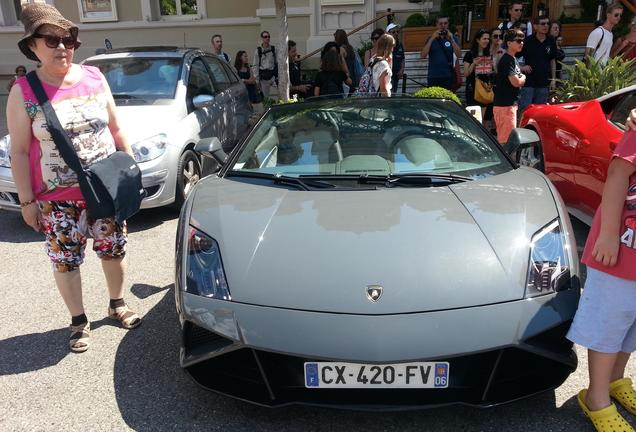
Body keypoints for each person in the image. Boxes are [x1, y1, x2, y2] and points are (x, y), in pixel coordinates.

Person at [6, 3, 141, 354]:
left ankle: (117, 304)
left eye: (68, 39)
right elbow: (19, 151)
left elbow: (116, 129)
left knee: (112, 250)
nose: (62, 46)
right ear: (32, 46)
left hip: (103, 189)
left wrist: (129, 176)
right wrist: (26, 202)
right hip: (56, 199)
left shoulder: (95, 78)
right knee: (65, 261)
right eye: (51, 40)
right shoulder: (24, 91)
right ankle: (79, 321)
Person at [566, 110, 636, 432]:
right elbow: (618, 176)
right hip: (619, 251)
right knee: (609, 323)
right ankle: (596, 396)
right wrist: (608, 235)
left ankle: (616, 380)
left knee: (630, 327)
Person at [518, 16, 557, 114]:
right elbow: (512, 56)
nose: (546, 26)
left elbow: (553, 60)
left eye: (548, 24)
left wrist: (553, 79)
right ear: (535, 26)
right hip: (528, 82)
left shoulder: (551, 40)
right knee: (525, 110)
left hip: (543, 82)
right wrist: (521, 67)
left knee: (539, 112)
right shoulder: (527, 41)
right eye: (543, 24)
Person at [493, 29, 526, 145]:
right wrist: (524, 78)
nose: (521, 43)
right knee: (506, 141)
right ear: (509, 43)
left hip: (509, 105)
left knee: (509, 140)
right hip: (505, 106)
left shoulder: (513, 59)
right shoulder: (507, 60)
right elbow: (516, 82)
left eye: (522, 41)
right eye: (518, 41)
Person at [420, 15, 462, 90]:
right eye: (440, 23)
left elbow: (459, 55)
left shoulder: (453, 38)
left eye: (445, 23)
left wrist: (451, 39)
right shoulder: (431, 38)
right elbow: (423, 56)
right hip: (433, 76)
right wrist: (432, 38)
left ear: (448, 24)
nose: (443, 26)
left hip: (448, 76)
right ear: (437, 24)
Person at [463, 29, 494, 119]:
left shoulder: (489, 54)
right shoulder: (470, 54)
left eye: (488, 39)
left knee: (484, 118)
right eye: (484, 39)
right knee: (474, 118)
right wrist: (474, 64)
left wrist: (492, 65)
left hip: (486, 89)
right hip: (473, 89)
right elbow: (466, 73)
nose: (487, 41)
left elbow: (493, 72)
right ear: (477, 40)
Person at [253, 31, 278, 98]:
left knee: (278, 94)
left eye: (268, 36)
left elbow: (277, 62)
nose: (267, 38)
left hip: (272, 76)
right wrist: (257, 80)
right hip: (263, 77)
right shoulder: (258, 51)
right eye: (265, 37)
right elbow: (255, 65)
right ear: (262, 38)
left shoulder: (274, 49)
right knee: (265, 97)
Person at [386, 23, 405, 95]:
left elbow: (402, 58)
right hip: (387, 77)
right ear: (388, 33)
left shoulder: (400, 45)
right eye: (393, 32)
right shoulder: (385, 45)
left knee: (393, 94)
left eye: (397, 32)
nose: (396, 33)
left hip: (396, 75)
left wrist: (402, 70)